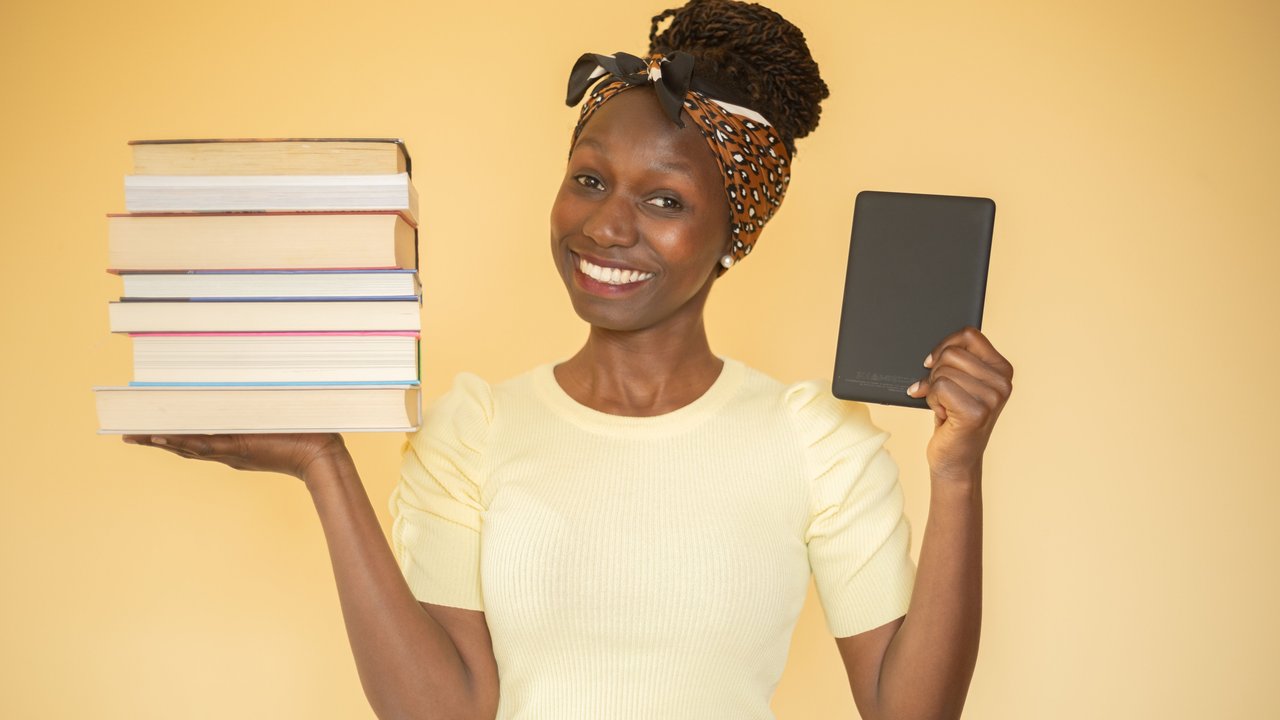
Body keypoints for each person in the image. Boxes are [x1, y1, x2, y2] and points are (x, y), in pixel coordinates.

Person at [124, 1, 1014, 718]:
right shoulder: (476, 430)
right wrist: (324, 465)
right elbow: (447, 715)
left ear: (731, 237)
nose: (606, 226)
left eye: (663, 198)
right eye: (589, 179)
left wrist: (959, 473)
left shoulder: (814, 440)